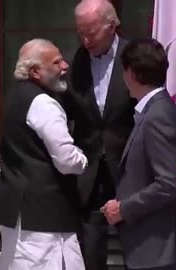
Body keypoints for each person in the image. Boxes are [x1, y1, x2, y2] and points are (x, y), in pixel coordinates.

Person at [101, 38, 176, 270]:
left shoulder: (158, 115)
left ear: (131, 73)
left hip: (158, 247)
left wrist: (123, 208)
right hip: (149, 247)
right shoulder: (151, 111)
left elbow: (168, 184)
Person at [0, 39, 88, 270]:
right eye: (56, 62)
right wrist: (83, 158)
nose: (65, 66)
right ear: (35, 71)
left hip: (20, 212)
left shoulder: (15, 98)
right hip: (44, 219)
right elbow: (66, 160)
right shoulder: (44, 103)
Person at [65, 1, 136, 269]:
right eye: (80, 32)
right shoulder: (78, 60)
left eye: (91, 32)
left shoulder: (133, 55)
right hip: (90, 170)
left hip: (128, 167)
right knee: (91, 253)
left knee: (136, 248)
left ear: (112, 25)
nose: (85, 40)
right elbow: (69, 108)